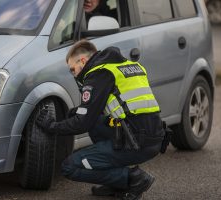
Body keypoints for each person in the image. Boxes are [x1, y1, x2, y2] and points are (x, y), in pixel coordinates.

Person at [36, 39, 166, 200]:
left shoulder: (98, 73)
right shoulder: (128, 66)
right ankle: (115, 184)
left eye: (73, 69)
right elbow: (122, 106)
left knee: (70, 167)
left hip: (136, 143)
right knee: (96, 122)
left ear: (83, 61)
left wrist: (52, 126)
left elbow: (82, 123)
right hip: (152, 137)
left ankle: (132, 178)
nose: (74, 74)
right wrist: (78, 112)